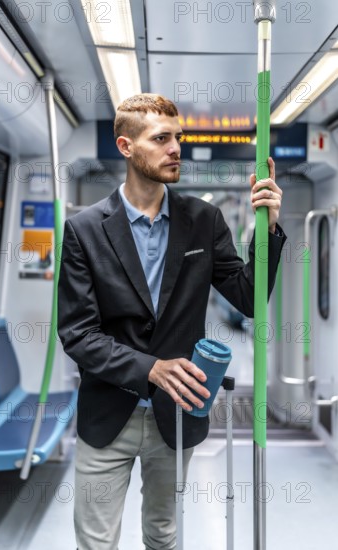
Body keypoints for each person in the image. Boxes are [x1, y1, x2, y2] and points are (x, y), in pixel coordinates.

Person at [57, 93, 286, 550]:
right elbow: (78, 335)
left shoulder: (202, 220)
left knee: (163, 534)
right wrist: (152, 368)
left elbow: (248, 298)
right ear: (126, 146)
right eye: (161, 139)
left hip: (177, 413)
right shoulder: (84, 229)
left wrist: (269, 229)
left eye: (177, 137)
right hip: (108, 413)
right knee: (96, 541)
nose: (175, 148)